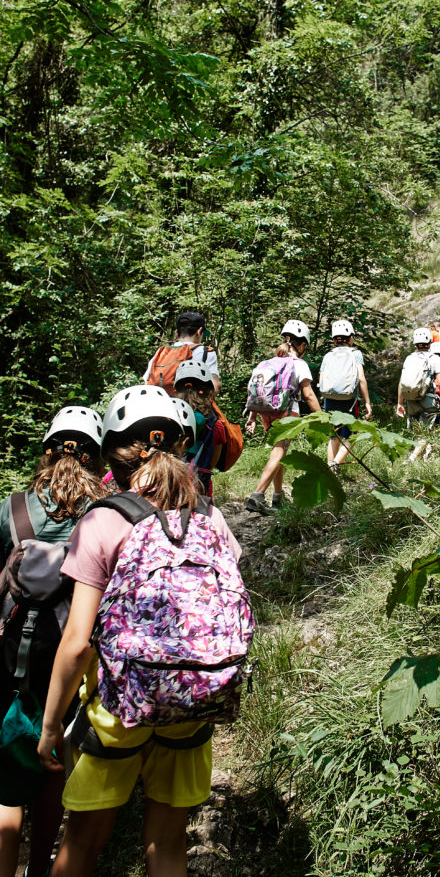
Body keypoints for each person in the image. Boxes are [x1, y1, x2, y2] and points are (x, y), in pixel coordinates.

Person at [36, 385, 243, 877]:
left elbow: (78, 643)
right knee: (168, 843)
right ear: (182, 446)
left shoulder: (103, 521)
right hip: (190, 702)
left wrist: (50, 725)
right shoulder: (210, 517)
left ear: (112, 454)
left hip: (115, 709)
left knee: (82, 841)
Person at [0, 406, 104, 877]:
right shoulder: (104, 514)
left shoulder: (12, 508)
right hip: (69, 655)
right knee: (55, 756)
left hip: (9, 652)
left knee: (7, 773)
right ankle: (39, 867)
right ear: (96, 458)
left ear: (45, 452)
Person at [245, 320, 321, 514]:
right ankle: (257, 495)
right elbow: (308, 395)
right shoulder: (299, 364)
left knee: (279, 452)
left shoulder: (268, 363)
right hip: (287, 412)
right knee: (279, 451)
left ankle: (278, 497)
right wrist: (321, 417)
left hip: (266, 412)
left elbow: (258, 392)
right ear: (301, 345)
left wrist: (252, 417)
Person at [318, 320, 372, 475]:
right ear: (350, 338)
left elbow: (321, 379)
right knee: (352, 435)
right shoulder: (355, 354)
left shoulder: (328, 356)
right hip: (349, 401)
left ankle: (330, 469)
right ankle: (335, 464)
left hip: (329, 399)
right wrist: (367, 402)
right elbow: (361, 378)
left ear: (334, 339)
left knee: (334, 435)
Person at [172, 360, 226, 499]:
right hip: (198, 484)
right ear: (207, 389)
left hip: (168, 479)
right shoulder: (215, 423)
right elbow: (212, 461)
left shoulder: (169, 414)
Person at [396, 329, 440, 461]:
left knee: (417, 431)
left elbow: (402, 382)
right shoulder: (434, 358)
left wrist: (400, 403)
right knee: (425, 432)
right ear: (430, 342)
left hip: (411, 399)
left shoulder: (409, 358)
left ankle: (419, 456)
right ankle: (412, 459)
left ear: (415, 344)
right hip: (428, 399)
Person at [143, 311, 220, 395]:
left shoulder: (161, 353)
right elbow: (215, 387)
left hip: (161, 401)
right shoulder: (206, 352)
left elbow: (146, 383)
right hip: (189, 402)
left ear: (177, 334)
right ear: (199, 332)